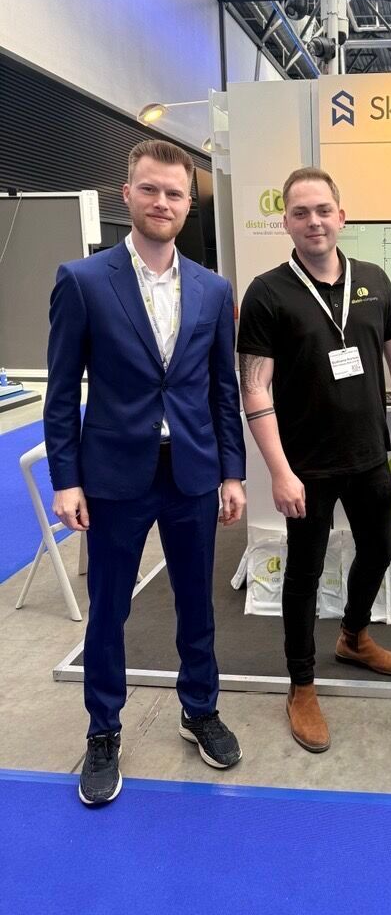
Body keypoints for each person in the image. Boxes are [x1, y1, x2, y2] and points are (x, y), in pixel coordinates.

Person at [44, 139, 247, 806]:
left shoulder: (216, 291)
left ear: (189, 206)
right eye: (151, 189)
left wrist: (233, 472)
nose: (163, 202)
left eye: (175, 193)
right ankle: (103, 730)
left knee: (197, 601)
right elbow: (61, 388)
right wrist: (67, 479)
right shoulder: (82, 281)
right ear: (126, 194)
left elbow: (222, 389)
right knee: (109, 608)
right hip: (112, 473)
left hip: (191, 470)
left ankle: (200, 710)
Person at [237, 166, 391, 753]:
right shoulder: (267, 293)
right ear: (286, 222)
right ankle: (301, 683)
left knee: (380, 550)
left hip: (368, 455)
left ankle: (353, 636)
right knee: (304, 572)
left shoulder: (374, 279)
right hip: (305, 467)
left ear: (342, 216)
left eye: (323, 210)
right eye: (300, 212)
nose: (313, 221)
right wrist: (279, 471)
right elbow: (255, 388)